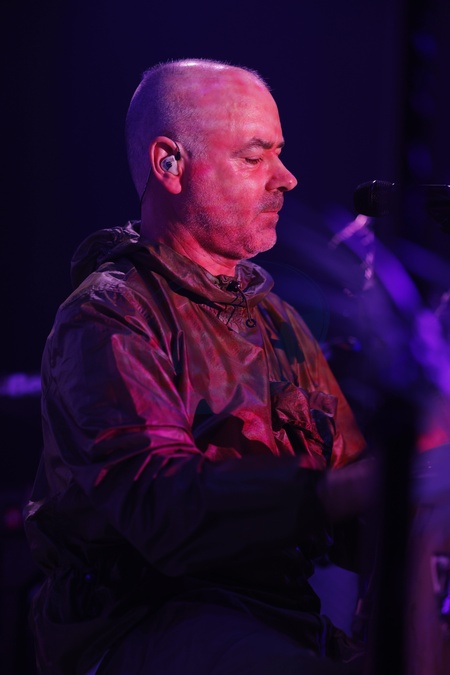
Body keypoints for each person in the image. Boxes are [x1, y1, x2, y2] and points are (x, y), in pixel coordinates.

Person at [24, 58, 376, 675]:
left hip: (280, 619)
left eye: (280, 154)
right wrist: (335, 491)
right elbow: (163, 506)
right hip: (146, 622)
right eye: (254, 157)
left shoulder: (279, 322)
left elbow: (359, 495)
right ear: (169, 164)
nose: (286, 178)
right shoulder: (109, 315)